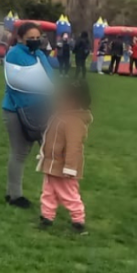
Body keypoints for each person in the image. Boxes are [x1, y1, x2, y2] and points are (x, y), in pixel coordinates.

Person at [1, 22, 54, 209]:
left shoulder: (39, 54)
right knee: (20, 152)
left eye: (37, 38)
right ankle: (14, 195)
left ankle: (55, 196)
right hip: (16, 110)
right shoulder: (15, 54)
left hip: (41, 109)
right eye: (30, 38)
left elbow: (49, 79)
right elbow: (20, 84)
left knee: (50, 152)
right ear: (20, 38)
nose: (34, 41)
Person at [37, 80, 93, 233]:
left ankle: (78, 220)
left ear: (72, 102)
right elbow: (52, 138)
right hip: (52, 164)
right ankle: (47, 217)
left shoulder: (74, 122)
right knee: (48, 191)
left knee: (68, 193)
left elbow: (74, 147)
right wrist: (44, 155)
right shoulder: (60, 116)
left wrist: (70, 167)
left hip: (63, 167)